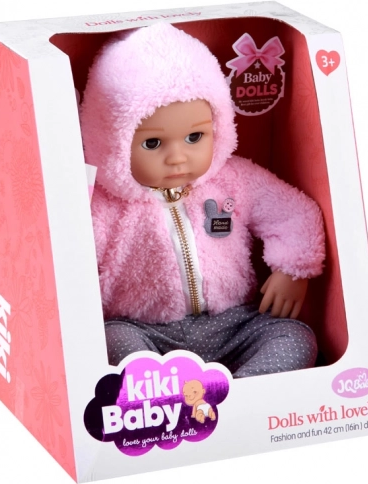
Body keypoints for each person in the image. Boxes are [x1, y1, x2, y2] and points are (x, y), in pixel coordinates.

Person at [80, 23, 326, 378]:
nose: (178, 157)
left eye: (194, 137)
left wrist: (292, 268)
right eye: (153, 143)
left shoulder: (233, 179)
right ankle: (174, 395)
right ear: (111, 141)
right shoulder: (102, 205)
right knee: (111, 343)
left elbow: (291, 211)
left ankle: (237, 393)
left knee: (296, 338)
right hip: (145, 331)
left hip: (234, 324)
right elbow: (71, 261)